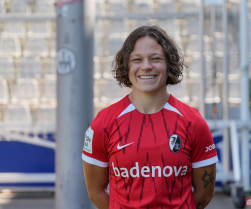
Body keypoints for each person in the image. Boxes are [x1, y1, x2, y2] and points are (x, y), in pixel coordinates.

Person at [82, 25, 218, 209]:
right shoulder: (104, 123)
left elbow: (204, 193)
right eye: (137, 59)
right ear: (126, 66)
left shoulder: (193, 122)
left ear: (168, 64)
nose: (146, 66)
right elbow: (95, 191)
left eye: (155, 59)